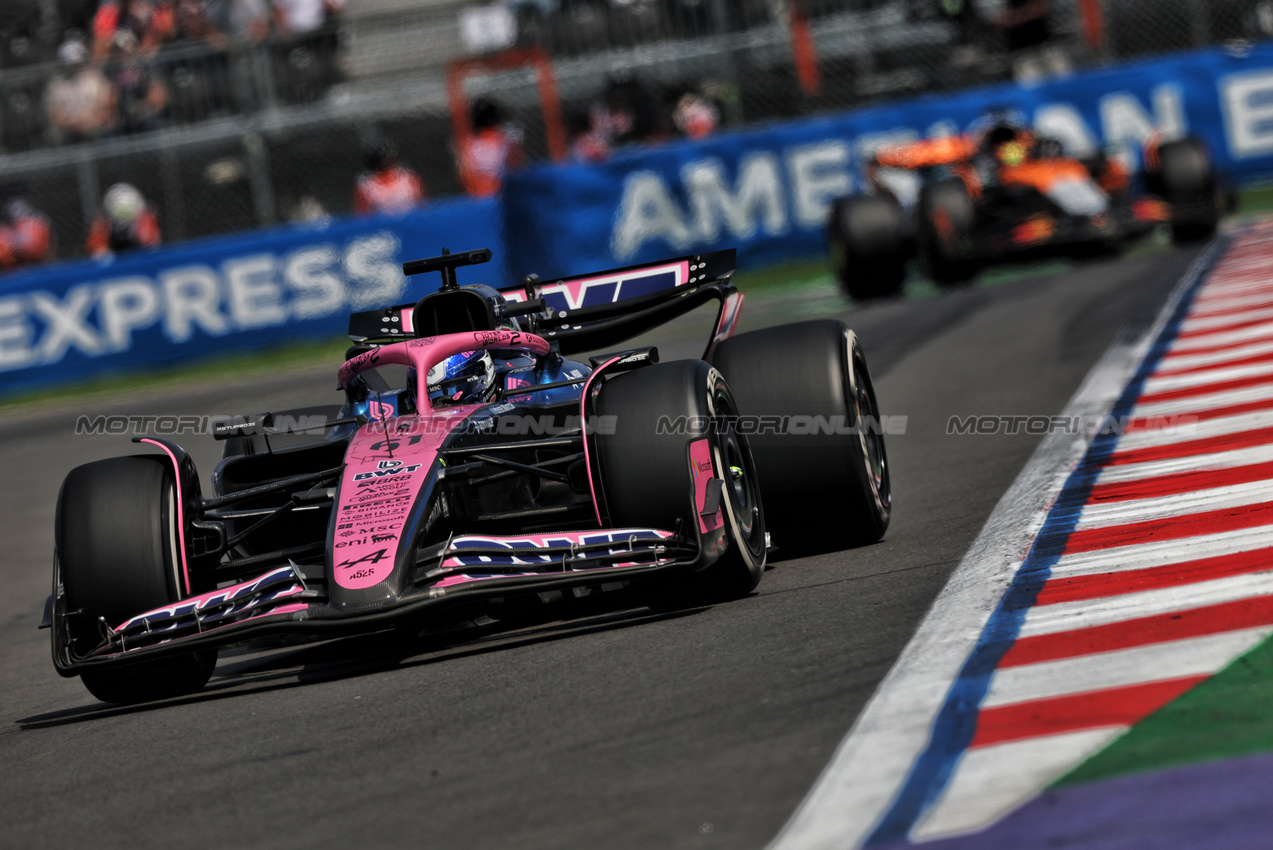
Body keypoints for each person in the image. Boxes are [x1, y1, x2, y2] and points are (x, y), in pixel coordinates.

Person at [44, 37, 118, 144]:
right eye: (71, 64)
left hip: (93, 124)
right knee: (54, 135)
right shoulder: (56, 84)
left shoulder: (96, 78)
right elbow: (53, 113)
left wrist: (91, 122)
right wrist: (72, 124)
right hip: (68, 127)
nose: (75, 67)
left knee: (109, 127)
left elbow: (106, 105)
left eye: (77, 63)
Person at [459, 98, 525, 198]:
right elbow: (467, 176)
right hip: (485, 192)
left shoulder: (507, 139)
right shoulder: (470, 145)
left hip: (505, 190)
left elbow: (517, 166)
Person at [996, 0, 1070, 83]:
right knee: (1032, 88)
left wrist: (1013, 17)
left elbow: (1039, 8)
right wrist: (1026, 13)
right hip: (1021, 53)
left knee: (1067, 82)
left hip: (1047, 46)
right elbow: (997, 22)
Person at [352, 140, 426, 216]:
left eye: (391, 160)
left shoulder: (409, 178)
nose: (388, 164)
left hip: (411, 221)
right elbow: (362, 215)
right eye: (384, 161)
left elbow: (422, 204)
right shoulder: (367, 186)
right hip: (384, 225)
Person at [86, 183, 161, 257]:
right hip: (113, 255)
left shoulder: (144, 216)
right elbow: (96, 247)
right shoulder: (103, 219)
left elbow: (151, 245)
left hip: (138, 253)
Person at [0, 185, 53, 271]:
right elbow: (5, 258)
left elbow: (37, 251)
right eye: (10, 202)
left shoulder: (36, 222)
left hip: (36, 267)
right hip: (9, 273)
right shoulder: (2, 229)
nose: (18, 208)